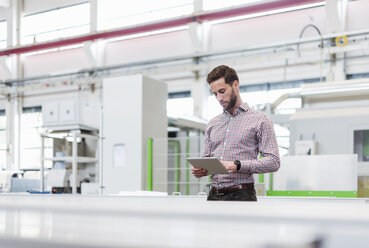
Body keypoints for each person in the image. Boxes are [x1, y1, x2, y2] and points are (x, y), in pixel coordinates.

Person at [191, 65, 280, 201]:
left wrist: (237, 165)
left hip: (242, 194)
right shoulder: (213, 123)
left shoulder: (260, 120)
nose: (219, 98)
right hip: (213, 194)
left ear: (235, 85)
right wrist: (201, 170)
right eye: (215, 94)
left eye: (222, 91)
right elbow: (207, 158)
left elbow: (273, 162)